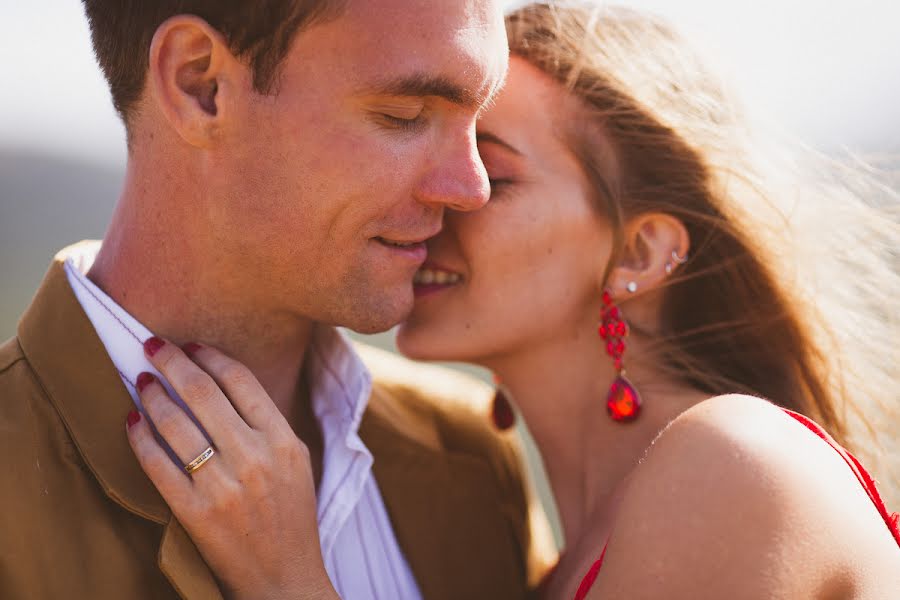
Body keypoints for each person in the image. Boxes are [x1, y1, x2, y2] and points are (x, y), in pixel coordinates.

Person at [123, 1, 900, 598]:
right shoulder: (547, 561)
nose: (449, 195)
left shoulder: (734, 467)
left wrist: (290, 578)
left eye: (495, 172)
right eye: (408, 127)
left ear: (638, 251)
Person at [0, 1, 555, 599]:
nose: (471, 188)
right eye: (405, 115)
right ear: (200, 85)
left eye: (478, 126)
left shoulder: (472, 454)